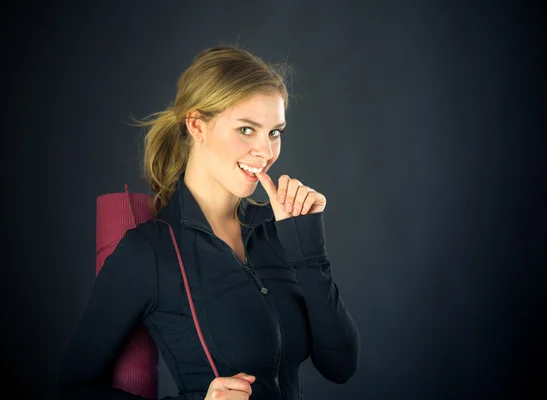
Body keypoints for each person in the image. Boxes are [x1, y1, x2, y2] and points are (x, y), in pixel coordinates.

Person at [56, 45, 360, 400]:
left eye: (275, 132)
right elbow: (73, 388)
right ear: (197, 125)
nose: (265, 151)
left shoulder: (276, 229)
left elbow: (340, 367)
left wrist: (308, 249)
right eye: (247, 130)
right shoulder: (149, 252)